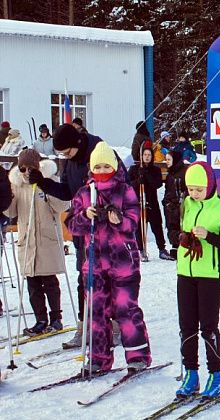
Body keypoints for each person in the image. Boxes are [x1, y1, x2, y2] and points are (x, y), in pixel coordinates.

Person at [66, 141, 152, 373]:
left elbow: (135, 222)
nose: (102, 171)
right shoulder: (85, 193)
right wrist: (86, 216)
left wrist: (119, 220)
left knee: (126, 309)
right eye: (98, 167)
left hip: (123, 263)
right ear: (91, 168)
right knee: (96, 312)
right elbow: (72, 225)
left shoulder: (126, 191)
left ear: (114, 166)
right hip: (94, 264)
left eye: (107, 166)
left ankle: (138, 355)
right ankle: (99, 357)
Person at [35, 123, 118, 349]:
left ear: (78, 143)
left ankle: (115, 326)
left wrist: (104, 210)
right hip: (84, 233)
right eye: (61, 154)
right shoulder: (70, 163)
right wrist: (43, 182)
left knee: (108, 279)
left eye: (67, 152)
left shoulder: (99, 152)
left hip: (106, 233)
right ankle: (84, 327)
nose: (65, 156)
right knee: (84, 280)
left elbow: (120, 188)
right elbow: (67, 192)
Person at [174, 162, 220, 399]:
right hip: (185, 273)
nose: (193, 194)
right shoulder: (185, 204)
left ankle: (215, 375)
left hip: (211, 276)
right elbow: (172, 231)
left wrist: (209, 237)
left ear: (210, 186)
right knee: (187, 327)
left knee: (208, 327)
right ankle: (191, 373)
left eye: (198, 189)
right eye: (190, 189)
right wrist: (181, 237)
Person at [5, 149, 70, 335]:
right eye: (22, 168)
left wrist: (44, 186)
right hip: (28, 241)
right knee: (33, 283)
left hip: (47, 239)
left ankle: (56, 318)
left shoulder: (49, 179)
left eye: (30, 168)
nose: (26, 172)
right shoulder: (17, 185)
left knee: (49, 280)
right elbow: (11, 212)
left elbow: (62, 205)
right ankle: (40, 319)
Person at [128, 141, 170, 261]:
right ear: (141, 156)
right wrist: (138, 181)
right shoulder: (134, 169)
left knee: (157, 226)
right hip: (138, 202)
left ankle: (162, 249)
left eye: (149, 155)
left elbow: (157, 184)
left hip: (151, 202)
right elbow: (128, 185)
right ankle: (141, 250)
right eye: (145, 155)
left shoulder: (155, 170)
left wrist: (146, 176)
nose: (147, 157)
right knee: (139, 227)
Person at [163, 150, 187, 259]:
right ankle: (175, 245)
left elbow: (186, 190)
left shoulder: (184, 172)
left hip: (180, 204)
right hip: (170, 205)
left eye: (169, 159)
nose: (166, 162)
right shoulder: (170, 173)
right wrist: (166, 201)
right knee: (171, 225)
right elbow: (168, 189)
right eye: (166, 159)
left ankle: (181, 245)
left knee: (179, 224)